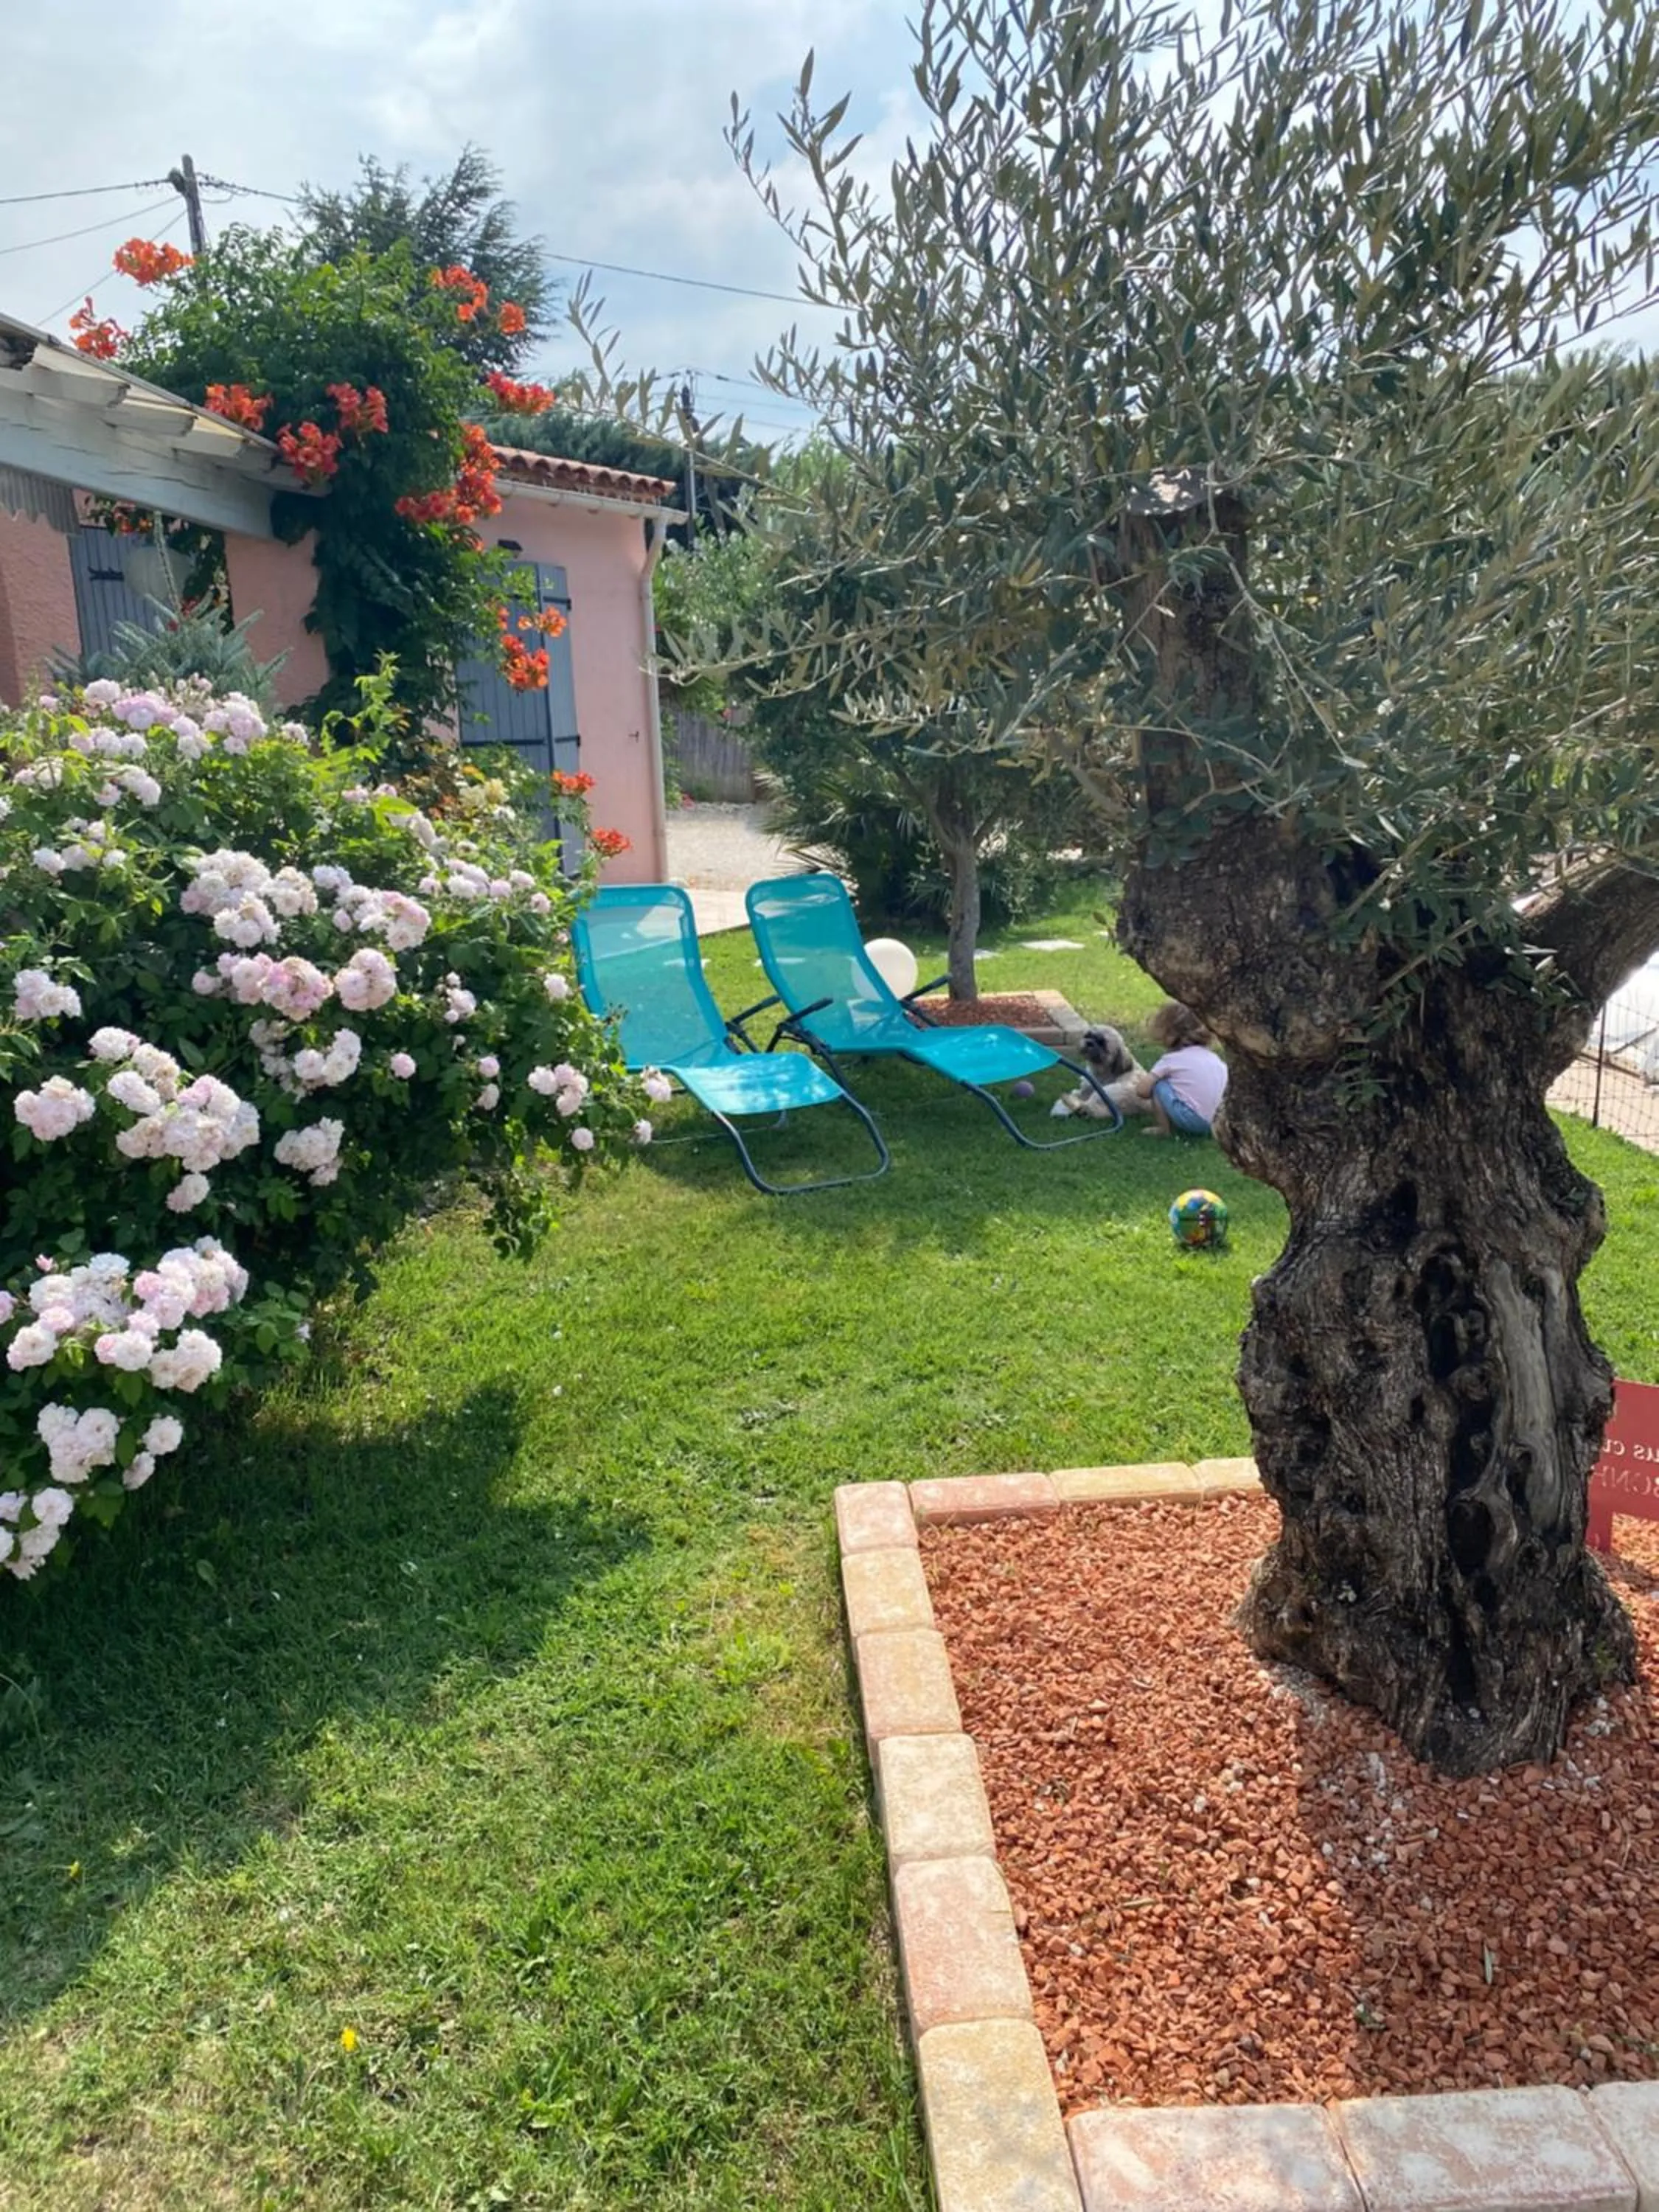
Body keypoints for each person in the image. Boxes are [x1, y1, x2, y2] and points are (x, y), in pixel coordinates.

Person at [1133, 1001, 1227, 1138]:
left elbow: (1142, 1091)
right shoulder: (1213, 1058)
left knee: (1159, 1085)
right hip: (1222, 1122)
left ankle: (1163, 1129)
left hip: (1196, 1122)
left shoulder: (1171, 1060)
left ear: (1169, 1034)